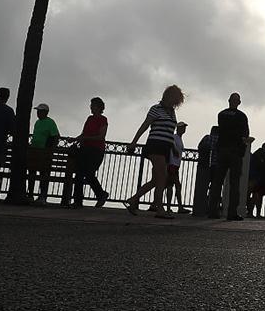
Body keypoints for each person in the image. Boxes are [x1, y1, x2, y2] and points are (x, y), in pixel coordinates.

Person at [124, 85, 185, 219]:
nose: (175, 103)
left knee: (156, 179)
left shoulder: (171, 112)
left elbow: (169, 132)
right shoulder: (155, 109)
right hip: (155, 145)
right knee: (162, 177)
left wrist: (173, 148)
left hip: (165, 149)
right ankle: (160, 209)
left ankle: (134, 199)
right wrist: (134, 142)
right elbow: (145, 125)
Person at [207, 92, 250, 220]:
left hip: (222, 150)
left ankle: (212, 211)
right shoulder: (241, 116)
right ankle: (232, 213)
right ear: (239, 102)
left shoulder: (221, 114)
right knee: (234, 183)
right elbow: (245, 135)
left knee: (217, 182)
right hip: (235, 151)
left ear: (228, 100)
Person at [71, 97, 109, 208]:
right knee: (79, 174)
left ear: (98, 107)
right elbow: (83, 134)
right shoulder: (89, 119)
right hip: (85, 149)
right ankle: (78, 201)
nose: (91, 107)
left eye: (93, 105)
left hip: (96, 151)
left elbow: (101, 136)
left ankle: (100, 194)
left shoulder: (103, 119)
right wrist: (76, 139)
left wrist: (86, 138)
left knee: (88, 173)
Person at [27, 103, 60, 205]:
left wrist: (50, 150)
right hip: (34, 151)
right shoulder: (37, 122)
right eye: (37, 111)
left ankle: (42, 196)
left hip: (44, 152)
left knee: (43, 174)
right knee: (32, 173)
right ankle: (30, 195)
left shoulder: (50, 122)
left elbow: (55, 136)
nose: (38, 113)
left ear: (45, 112)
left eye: (40, 111)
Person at [165, 121, 190, 214]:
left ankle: (169, 207)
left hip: (175, 165)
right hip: (172, 164)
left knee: (169, 185)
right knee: (175, 185)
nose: (184, 129)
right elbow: (170, 144)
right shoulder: (175, 137)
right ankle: (178, 207)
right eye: (182, 127)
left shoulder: (178, 138)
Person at [247, 141, 265, 218]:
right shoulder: (260, 155)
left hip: (257, 178)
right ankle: (252, 213)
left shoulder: (257, 154)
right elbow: (263, 167)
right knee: (256, 196)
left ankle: (253, 213)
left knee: (256, 196)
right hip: (258, 179)